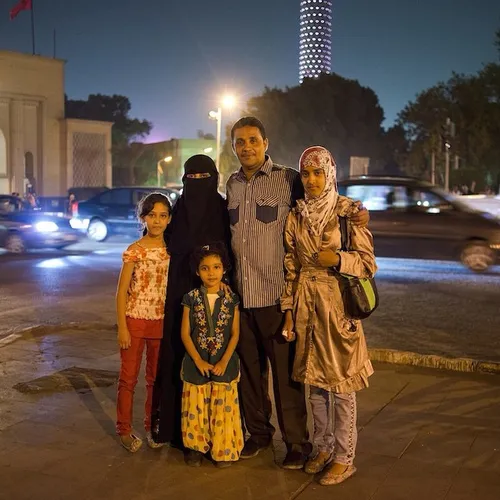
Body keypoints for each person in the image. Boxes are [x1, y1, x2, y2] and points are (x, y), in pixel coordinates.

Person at [225, 116, 370, 469]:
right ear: (233, 147)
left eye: (253, 140)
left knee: (291, 377)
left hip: (281, 297)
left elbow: (326, 204)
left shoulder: (286, 178)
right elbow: (298, 234)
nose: (247, 147)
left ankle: (298, 444)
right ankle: (259, 435)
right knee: (253, 374)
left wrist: (357, 211)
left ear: (266, 143)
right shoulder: (231, 185)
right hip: (249, 295)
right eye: (240, 142)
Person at [281, 146, 377, 485]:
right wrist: (289, 311)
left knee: (340, 384)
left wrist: (337, 260)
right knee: (314, 384)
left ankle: (344, 456)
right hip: (307, 305)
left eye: (317, 173)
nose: (310, 180)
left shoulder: (347, 213)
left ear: (330, 174)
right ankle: (321, 447)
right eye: (305, 173)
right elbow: (291, 266)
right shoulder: (296, 215)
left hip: (337, 307)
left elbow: (367, 264)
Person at [151, 155, 232, 456]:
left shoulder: (223, 212)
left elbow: (233, 252)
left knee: (213, 360)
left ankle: (215, 433)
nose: (198, 184)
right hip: (178, 297)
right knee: (176, 358)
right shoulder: (177, 212)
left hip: (213, 299)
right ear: (185, 181)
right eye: (192, 178)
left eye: (204, 178)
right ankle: (175, 428)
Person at [115, 192, 172, 452]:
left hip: (160, 323)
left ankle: (152, 427)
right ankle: (124, 430)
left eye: (162, 216)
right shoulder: (134, 251)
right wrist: (122, 327)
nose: (157, 221)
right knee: (128, 380)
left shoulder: (172, 251)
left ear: (170, 219)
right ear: (143, 217)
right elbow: (121, 291)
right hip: (135, 321)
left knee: (154, 380)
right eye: (152, 215)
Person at [179, 243, 243, 467]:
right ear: (197, 271)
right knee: (196, 405)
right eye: (205, 268)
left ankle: (223, 448)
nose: (211, 272)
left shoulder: (231, 299)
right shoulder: (191, 298)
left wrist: (225, 360)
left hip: (224, 362)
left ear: (224, 269)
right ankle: (196, 447)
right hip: (196, 361)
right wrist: (197, 359)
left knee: (222, 406)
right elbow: (185, 333)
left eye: (216, 267)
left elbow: (235, 334)